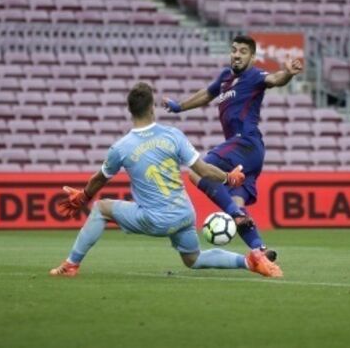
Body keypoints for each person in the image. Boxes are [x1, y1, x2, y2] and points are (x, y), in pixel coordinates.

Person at [50, 82, 283, 278]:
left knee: (101, 208)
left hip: (156, 219)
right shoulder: (173, 135)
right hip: (184, 214)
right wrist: (228, 177)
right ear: (152, 107)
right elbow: (203, 170)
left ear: (129, 110)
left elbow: (99, 179)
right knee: (193, 259)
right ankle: (249, 261)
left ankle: (71, 264)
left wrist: (84, 196)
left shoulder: (120, 148)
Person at [162, 35, 303, 261]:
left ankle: (235, 213)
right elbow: (207, 94)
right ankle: (260, 251)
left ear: (253, 57)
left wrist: (287, 73)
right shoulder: (225, 77)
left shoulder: (255, 75)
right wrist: (179, 107)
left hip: (245, 143)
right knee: (236, 204)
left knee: (198, 171)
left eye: (243, 51)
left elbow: (275, 79)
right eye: (234, 50)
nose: (237, 55)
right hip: (248, 155)